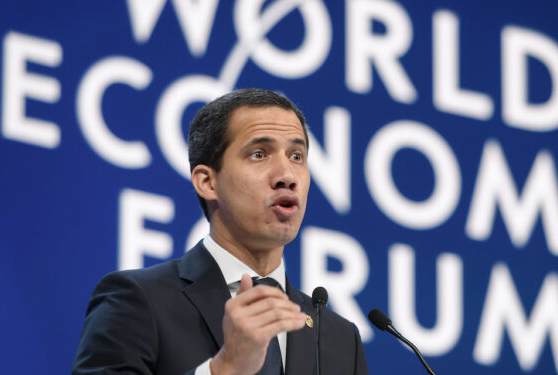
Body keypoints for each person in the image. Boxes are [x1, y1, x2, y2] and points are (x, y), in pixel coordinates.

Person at [72, 88, 368, 375]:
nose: (287, 177)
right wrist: (223, 370)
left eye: (296, 156)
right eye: (259, 154)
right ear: (207, 183)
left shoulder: (339, 339)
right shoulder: (138, 300)